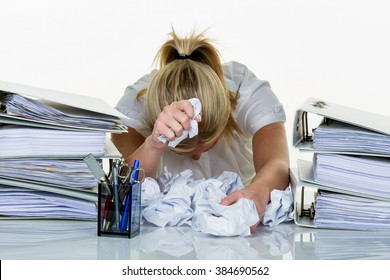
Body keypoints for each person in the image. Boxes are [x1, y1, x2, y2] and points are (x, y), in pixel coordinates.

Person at [112, 30, 290, 230]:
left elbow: (278, 163)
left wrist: (259, 191)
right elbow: (126, 187)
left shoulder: (246, 91)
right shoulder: (135, 105)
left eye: (207, 144)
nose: (195, 157)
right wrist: (153, 145)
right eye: (181, 149)